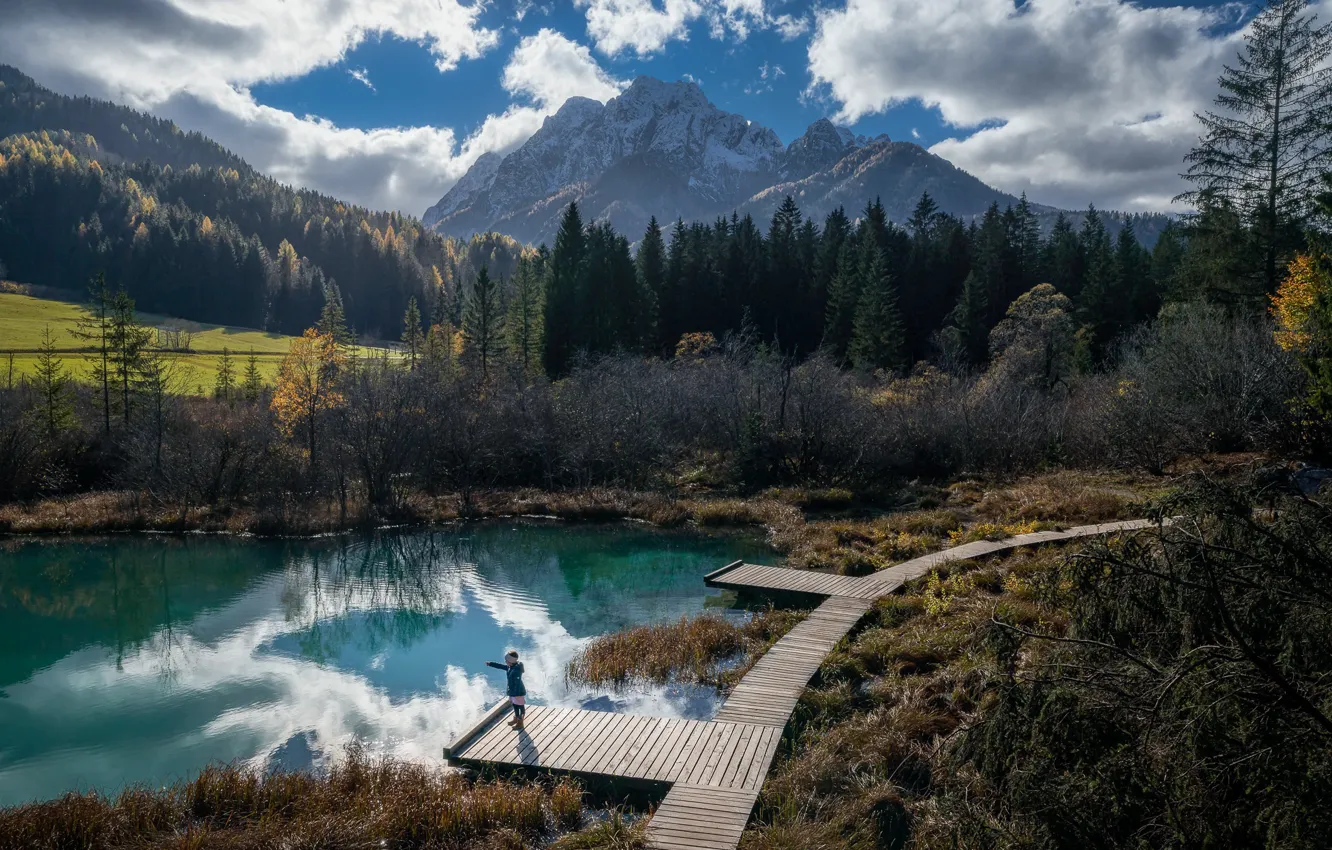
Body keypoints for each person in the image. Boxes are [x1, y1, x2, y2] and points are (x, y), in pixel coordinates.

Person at [485, 650, 527, 729]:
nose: (505, 662)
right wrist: (490, 664)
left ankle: (520, 722)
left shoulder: (516, 671)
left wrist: (515, 694)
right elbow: (501, 666)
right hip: (513, 692)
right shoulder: (510, 666)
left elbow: (517, 684)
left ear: (511, 661)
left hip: (518, 693)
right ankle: (516, 718)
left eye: (506, 660)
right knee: (515, 705)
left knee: (520, 706)